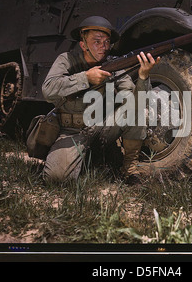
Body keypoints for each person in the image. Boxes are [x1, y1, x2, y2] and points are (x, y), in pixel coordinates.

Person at [41, 16, 159, 184]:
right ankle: (91, 157)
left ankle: (129, 170)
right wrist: (85, 78)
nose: (103, 47)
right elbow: (47, 90)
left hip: (103, 128)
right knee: (56, 179)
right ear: (83, 45)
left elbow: (137, 101)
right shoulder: (66, 60)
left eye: (106, 42)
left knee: (134, 109)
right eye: (97, 42)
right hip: (72, 131)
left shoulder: (114, 65)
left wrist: (143, 76)